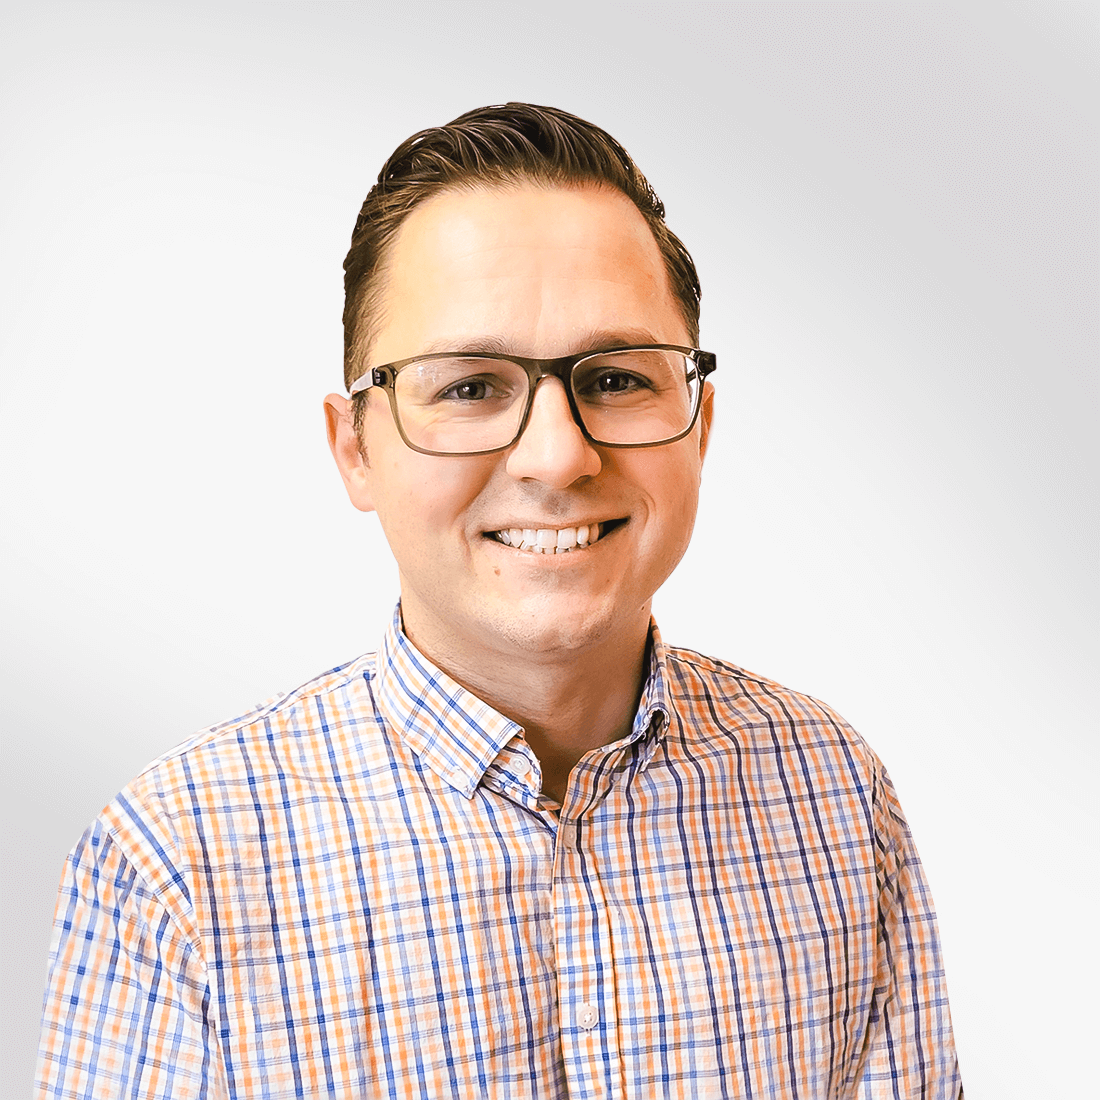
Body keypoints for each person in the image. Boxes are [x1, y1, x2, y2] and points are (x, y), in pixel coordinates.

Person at [35, 103, 962, 1099]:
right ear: (354, 447)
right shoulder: (178, 867)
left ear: (699, 427)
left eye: (615, 378)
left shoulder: (831, 792)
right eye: (471, 387)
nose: (557, 456)